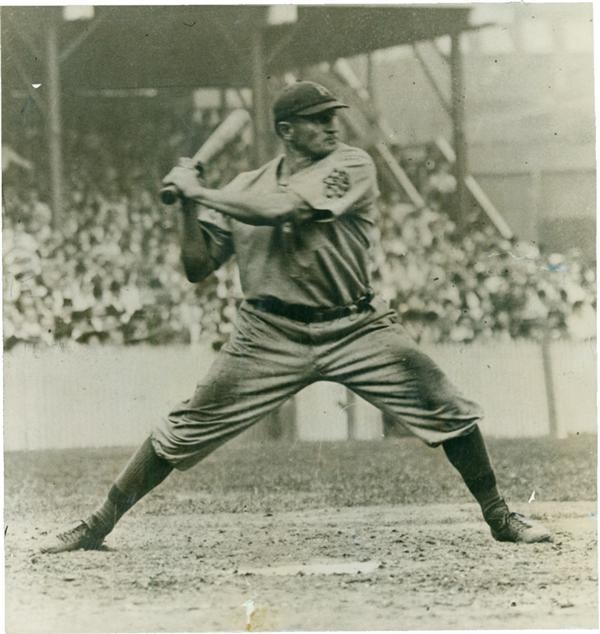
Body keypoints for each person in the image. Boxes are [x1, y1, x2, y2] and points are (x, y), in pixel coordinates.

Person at [41, 81, 551, 554]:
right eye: (317, 120)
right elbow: (198, 265)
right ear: (286, 131)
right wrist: (186, 206)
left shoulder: (351, 165)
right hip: (268, 332)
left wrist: (201, 192)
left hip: (355, 324)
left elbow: (284, 210)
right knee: (185, 426)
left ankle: (500, 516)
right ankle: (97, 524)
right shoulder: (246, 185)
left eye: (332, 117)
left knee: (443, 401)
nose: (332, 127)